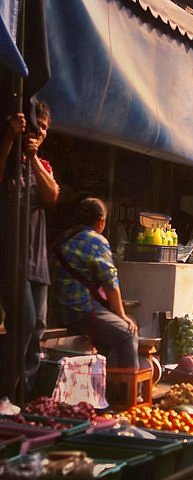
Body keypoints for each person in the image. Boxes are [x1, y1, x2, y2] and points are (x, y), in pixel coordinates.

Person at [0, 101, 59, 394]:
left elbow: (52, 196)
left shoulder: (43, 165)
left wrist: (34, 158)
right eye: (37, 127)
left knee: (36, 328)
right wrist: (11, 138)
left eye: (45, 129)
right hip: (12, 258)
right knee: (21, 324)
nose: (40, 133)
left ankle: (26, 394)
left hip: (38, 263)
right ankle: (6, 391)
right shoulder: (10, 159)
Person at [51, 198, 139, 369]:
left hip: (57, 311)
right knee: (128, 332)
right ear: (101, 222)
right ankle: (129, 393)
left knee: (111, 334)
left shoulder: (62, 238)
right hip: (80, 312)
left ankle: (106, 385)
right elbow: (110, 284)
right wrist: (122, 315)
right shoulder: (96, 241)